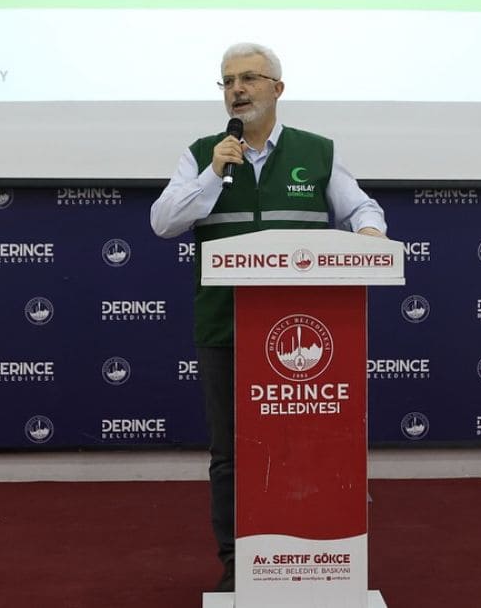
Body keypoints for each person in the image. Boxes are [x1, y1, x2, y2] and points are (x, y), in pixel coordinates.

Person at [149, 42, 386, 593]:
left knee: (308, 448)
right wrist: (212, 174)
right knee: (231, 457)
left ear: (277, 89)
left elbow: (361, 208)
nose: (238, 89)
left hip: (307, 334)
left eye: (250, 78)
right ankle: (239, 568)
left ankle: (314, 562)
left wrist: (369, 234)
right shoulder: (203, 154)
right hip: (226, 329)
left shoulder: (317, 151)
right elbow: (163, 222)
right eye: (228, 80)